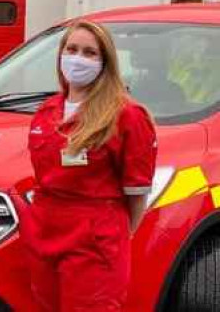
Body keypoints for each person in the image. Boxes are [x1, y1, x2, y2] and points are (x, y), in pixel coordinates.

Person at [22, 20, 157, 312]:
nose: (77, 58)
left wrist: (112, 235)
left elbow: (136, 194)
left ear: (104, 62)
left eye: (89, 53)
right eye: (71, 49)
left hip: (94, 242)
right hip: (45, 234)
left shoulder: (126, 115)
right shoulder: (47, 112)